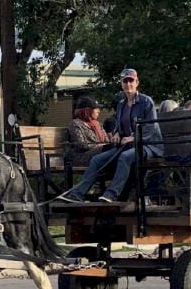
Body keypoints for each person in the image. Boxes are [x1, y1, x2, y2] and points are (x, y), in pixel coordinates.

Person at [56, 68, 163, 203]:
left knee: (125, 157)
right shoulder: (121, 104)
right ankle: (77, 194)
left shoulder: (146, 102)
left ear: (137, 82)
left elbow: (151, 128)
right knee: (97, 159)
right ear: (121, 83)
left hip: (147, 145)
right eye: (125, 81)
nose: (128, 84)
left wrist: (133, 137)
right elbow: (119, 125)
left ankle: (111, 194)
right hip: (128, 146)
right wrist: (117, 134)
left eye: (131, 80)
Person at [66, 96, 108, 169]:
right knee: (107, 150)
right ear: (87, 110)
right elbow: (81, 145)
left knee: (114, 149)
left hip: (100, 153)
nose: (99, 111)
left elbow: (107, 142)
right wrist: (101, 146)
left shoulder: (98, 124)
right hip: (82, 157)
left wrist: (104, 146)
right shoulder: (76, 124)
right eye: (96, 108)